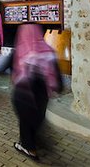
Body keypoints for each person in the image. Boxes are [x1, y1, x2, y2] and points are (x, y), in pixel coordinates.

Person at [12, 24, 63, 161]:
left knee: (25, 120)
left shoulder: (22, 49)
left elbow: (7, 67)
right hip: (42, 95)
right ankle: (34, 141)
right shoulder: (48, 50)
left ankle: (29, 148)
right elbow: (57, 78)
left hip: (24, 93)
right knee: (37, 117)